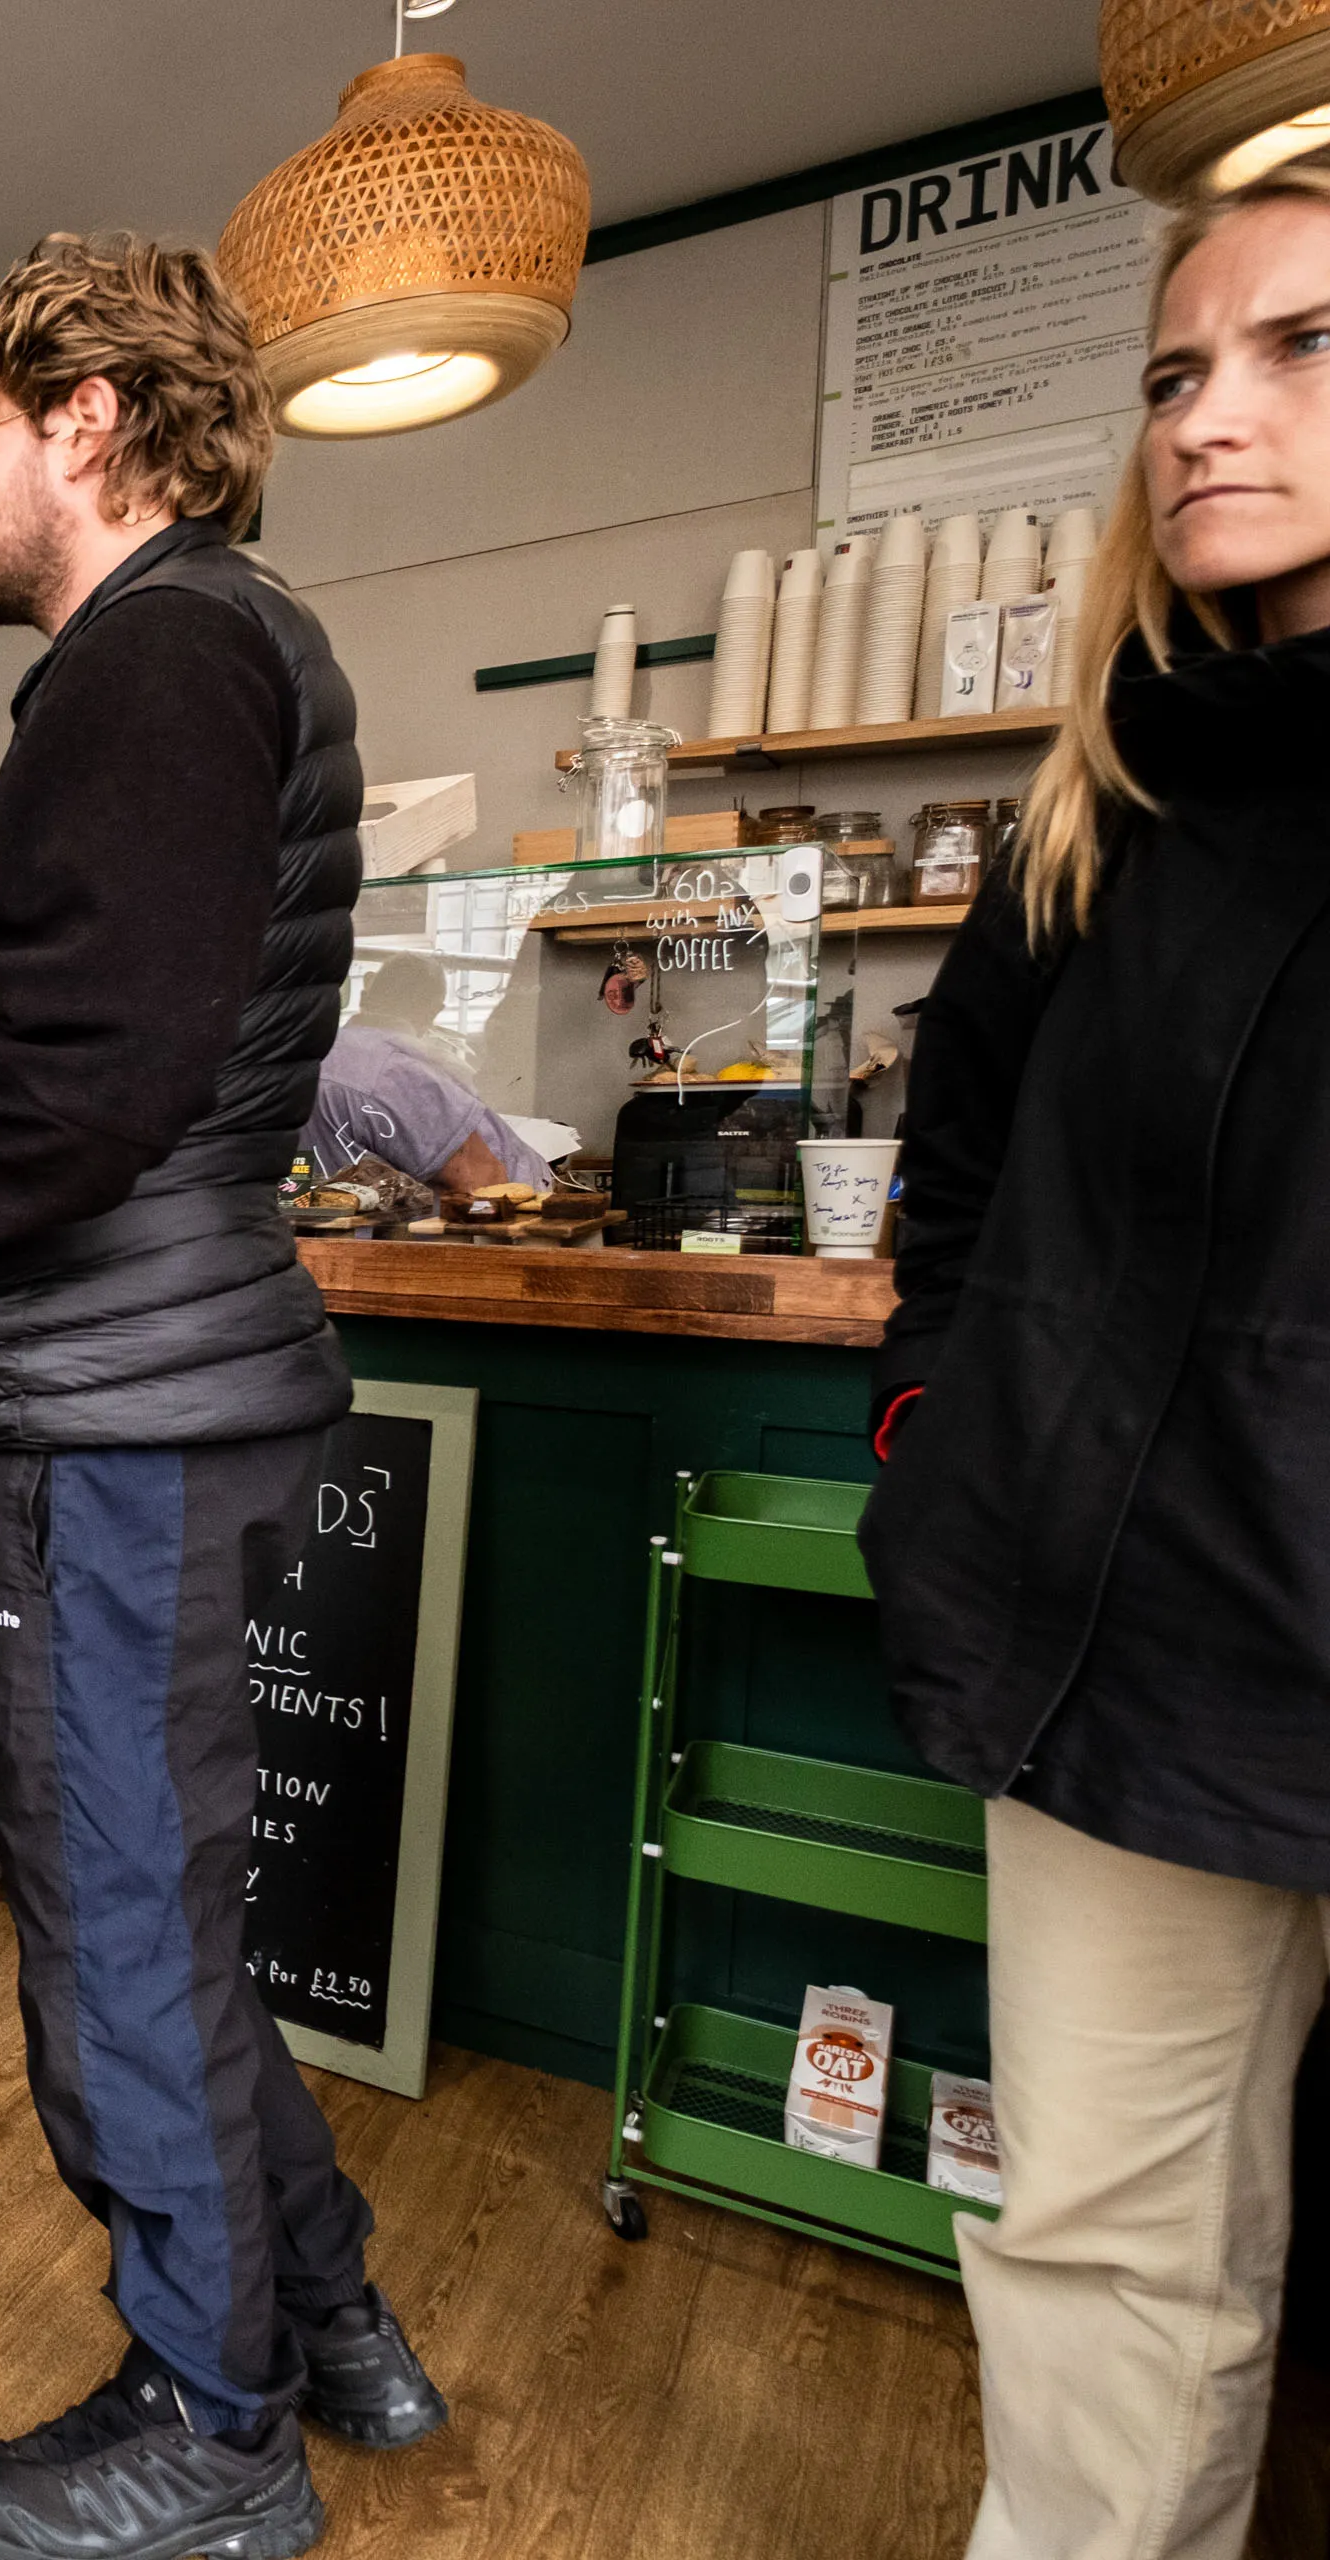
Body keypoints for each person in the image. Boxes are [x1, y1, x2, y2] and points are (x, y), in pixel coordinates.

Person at [0, 235, 446, 2560]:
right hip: (162, 1380)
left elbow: (91, 1068)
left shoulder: (158, 646)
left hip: (103, 1404)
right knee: (163, 1925)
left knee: (108, 1943)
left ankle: (218, 2428)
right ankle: (330, 2318)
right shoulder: (229, 644)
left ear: (80, 416)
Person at [864, 152, 1330, 2560]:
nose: (1203, 419)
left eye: (1294, 348)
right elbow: (943, 1187)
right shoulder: (1095, 804)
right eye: (1171, 370)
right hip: (1127, 1659)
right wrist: (935, 1429)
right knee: (1107, 2272)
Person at [309, 958, 550, 1195]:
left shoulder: (315, 1056)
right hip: (515, 1200)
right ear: (435, 1010)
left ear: (365, 994)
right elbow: (487, 1184)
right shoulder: (397, 1073)